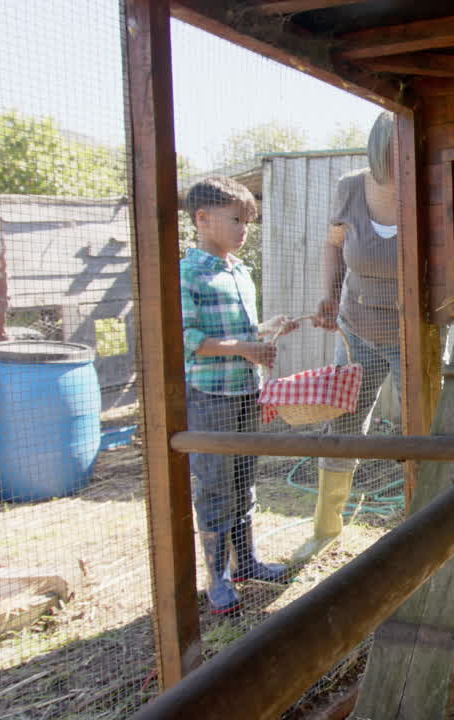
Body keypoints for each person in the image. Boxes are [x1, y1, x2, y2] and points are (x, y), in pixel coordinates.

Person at [294, 112, 454, 561]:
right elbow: (334, 244)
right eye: (403, 148)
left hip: (417, 333)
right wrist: (327, 295)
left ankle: (429, 532)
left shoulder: (438, 189)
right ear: (386, 148)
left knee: (426, 429)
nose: (413, 155)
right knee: (343, 424)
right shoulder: (350, 187)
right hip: (356, 331)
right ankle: (325, 530)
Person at [181, 176, 300, 614]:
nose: (244, 230)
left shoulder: (240, 272)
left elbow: (241, 334)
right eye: (237, 220)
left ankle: (246, 561)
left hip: (248, 391)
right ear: (203, 218)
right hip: (210, 396)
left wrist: (269, 331)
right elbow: (190, 338)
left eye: (248, 222)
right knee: (215, 486)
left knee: (244, 481)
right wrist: (249, 348)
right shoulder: (187, 273)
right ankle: (218, 579)